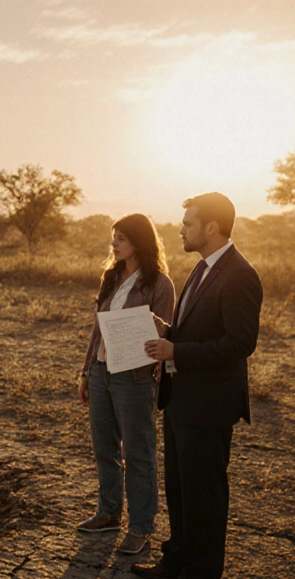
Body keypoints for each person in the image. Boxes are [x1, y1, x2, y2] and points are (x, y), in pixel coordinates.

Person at [137, 192, 262, 579]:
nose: (180, 229)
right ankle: (177, 559)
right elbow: (199, 329)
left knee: (205, 492)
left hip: (209, 405)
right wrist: (168, 331)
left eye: (188, 223)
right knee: (179, 485)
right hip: (181, 398)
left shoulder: (240, 275)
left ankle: (203, 578)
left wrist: (178, 352)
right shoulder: (202, 268)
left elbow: (240, 343)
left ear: (212, 227)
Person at [77, 214, 176, 556]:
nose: (114, 243)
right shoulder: (112, 276)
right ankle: (108, 513)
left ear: (139, 241)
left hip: (134, 377)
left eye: (121, 237)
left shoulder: (160, 284)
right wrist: (86, 371)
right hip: (103, 372)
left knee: (137, 453)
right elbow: (97, 329)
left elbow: (165, 333)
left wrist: (151, 328)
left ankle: (140, 526)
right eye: (113, 237)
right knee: (104, 446)